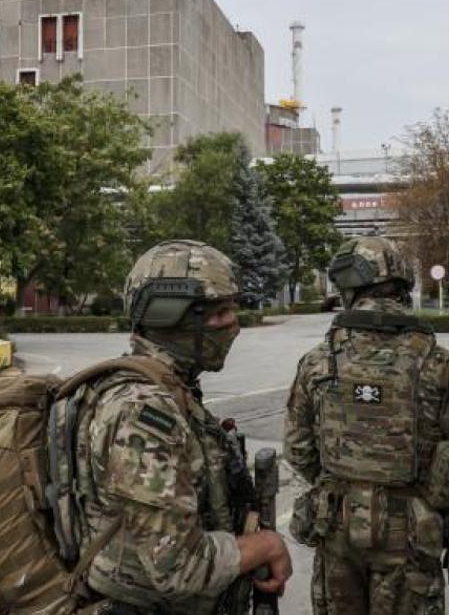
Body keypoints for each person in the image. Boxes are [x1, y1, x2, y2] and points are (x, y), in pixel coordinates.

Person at [77, 239, 293, 614]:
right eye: (219, 312)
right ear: (170, 315)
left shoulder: (172, 391)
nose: (233, 325)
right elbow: (177, 567)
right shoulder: (142, 414)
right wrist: (266, 545)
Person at [283, 236, 449, 615]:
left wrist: (344, 486)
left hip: (337, 535)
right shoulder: (437, 363)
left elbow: (298, 450)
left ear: (347, 289)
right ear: (400, 287)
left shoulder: (317, 362)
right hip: (411, 539)